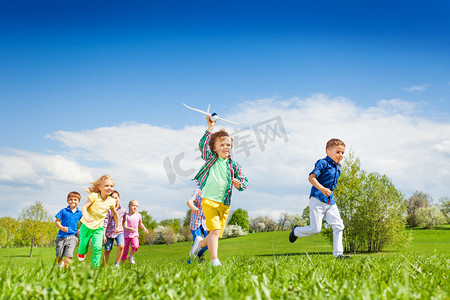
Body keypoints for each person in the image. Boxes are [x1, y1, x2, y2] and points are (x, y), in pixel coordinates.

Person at [189, 116, 248, 266]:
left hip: (225, 204)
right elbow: (203, 145)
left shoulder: (234, 165)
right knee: (214, 232)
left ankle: (198, 245)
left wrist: (239, 184)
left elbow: (243, 180)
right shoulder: (211, 159)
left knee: (215, 235)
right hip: (208, 200)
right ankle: (214, 260)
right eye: (222, 144)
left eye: (228, 145)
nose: (226, 147)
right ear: (214, 148)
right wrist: (210, 128)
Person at [289, 138, 350, 259]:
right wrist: (322, 189)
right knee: (315, 229)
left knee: (339, 225)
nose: (341, 155)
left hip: (330, 201)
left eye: (343, 153)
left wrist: (328, 193)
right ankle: (296, 231)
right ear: (328, 152)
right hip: (317, 199)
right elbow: (311, 178)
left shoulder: (338, 168)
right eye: (338, 152)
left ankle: (338, 255)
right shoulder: (322, 163)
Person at [77, 174, 120, 267]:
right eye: (107, 186)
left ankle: (95, 268)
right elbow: (84, 207)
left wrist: (117, 226)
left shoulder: (111, 201)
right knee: (82, 246)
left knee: (97, 248)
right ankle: (81, 253)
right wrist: (86, 217)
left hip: (99, 228)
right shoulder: (94, 196)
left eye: (111, 186)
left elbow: (115, 214)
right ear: (100, 187)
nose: (109, 188)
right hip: (86, 225)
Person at [54, 191, 83, 268]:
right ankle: (59, 264)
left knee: (69, 255)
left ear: (79, 201)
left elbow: (83, 223)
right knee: (59, 255)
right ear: (67, 201)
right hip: (61, 236)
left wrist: (81, 229)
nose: (73, 201)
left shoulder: (80, 213)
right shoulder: (63, 211)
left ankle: (65, 270)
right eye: (71, 199)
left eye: (75, 200)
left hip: (73, 236)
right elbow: (57, 221)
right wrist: (62, 228)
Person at [102, 190, 127, 267]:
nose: (114, 199)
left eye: (116, 198)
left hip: (119, 231)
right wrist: (103, 234)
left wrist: (121, 227)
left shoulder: (123, 210)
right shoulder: (108, 210)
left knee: (121, 246)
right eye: (112, 198)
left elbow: (124, 220)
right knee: (107, 250)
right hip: (109, 232)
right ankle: (104, 266)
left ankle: (116, 264)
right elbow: (105, 223)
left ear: (119, 198)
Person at [121, 200, 148, 265]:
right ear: (129, 206)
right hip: (126, 235)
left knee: (136, 246)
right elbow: (124, 226)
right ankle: (121, 265)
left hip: (134, 234)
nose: (135, 207)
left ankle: (130, 256)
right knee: (124, 251)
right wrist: (130, 229)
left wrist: (144, 228)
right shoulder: (126, 216)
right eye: (133, 205)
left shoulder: (138, 215)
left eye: (137, 206)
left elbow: (140, 223)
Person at [186, 186, 208, 263]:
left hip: (206, 222)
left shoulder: (211, 193)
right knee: (197, 241)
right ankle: (190, 262)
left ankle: (198, 255)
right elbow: (189, 201)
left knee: (210, 241)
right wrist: (193, 207)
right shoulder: (197, 191)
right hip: (195, 222)